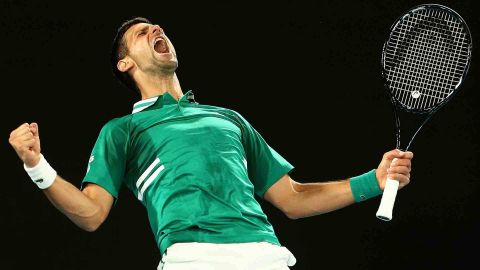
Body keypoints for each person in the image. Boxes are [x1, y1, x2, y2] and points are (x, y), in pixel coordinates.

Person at [8, 17, 413, 270]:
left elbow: (293, 198)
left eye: (158, 27)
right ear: (125, 63)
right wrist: (36, 165)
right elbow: (91, 213)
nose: (156, 29)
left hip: (265, 256)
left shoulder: (228, 119)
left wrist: (372, 181)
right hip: (193, 259)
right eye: (141, 33)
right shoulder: (123, 130)